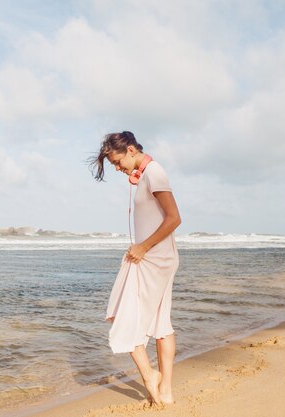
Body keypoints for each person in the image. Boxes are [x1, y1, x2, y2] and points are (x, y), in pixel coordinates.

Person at [89, 131, 181, 405]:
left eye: (118, 162)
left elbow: (174, 218)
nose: (118, 168)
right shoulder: (146, 174)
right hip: (153, 257)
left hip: (154, 258)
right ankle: (165, 390)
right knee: (161, 323)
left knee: (125, 318)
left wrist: (142, 247)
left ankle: (150, 376)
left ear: (131, 150)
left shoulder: (155, 172)